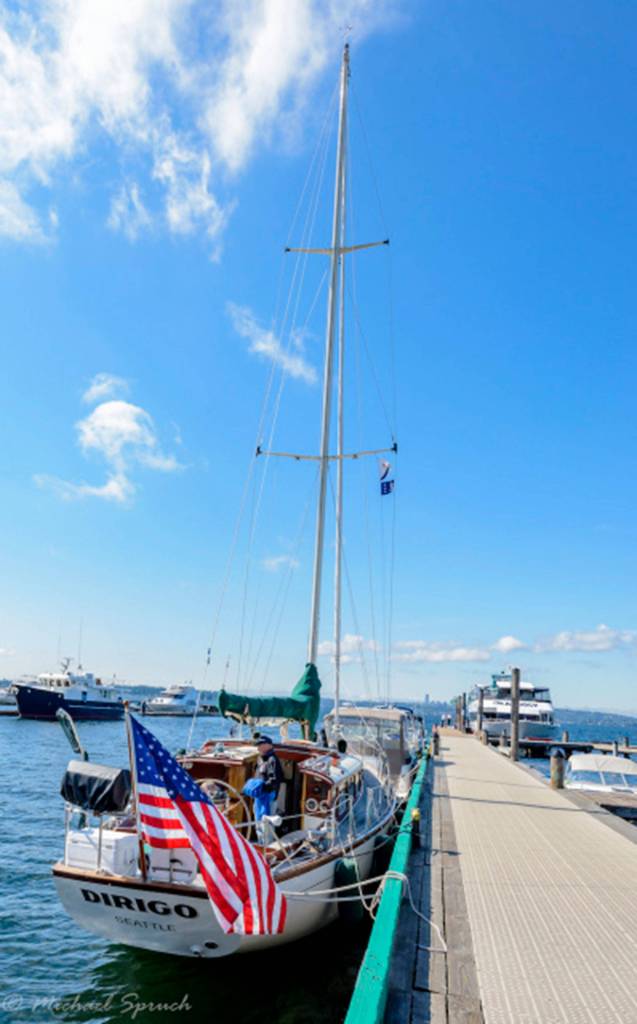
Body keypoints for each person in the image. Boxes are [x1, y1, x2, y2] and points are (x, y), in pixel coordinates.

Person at [253, 734, 284, 821]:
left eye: (260, 745)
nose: (258, 748)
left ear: (269, 745)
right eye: (258, 745)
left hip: (267, 798)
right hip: (260, 797)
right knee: (259, 823)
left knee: (266, 825)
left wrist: (260, 787)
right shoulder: (261, 759)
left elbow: (274, 780)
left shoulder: (272, 760)